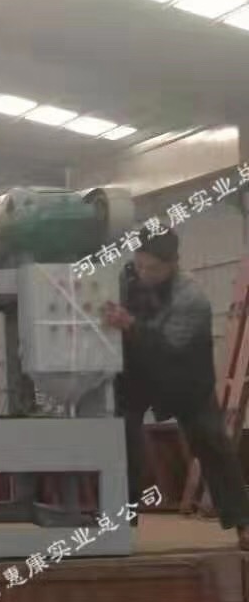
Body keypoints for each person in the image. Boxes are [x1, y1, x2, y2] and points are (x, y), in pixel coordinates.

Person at [102, 230, 249, 548]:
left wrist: (130, 325)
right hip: (137, 374)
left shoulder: (191, 299)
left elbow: (167, 349)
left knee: (212, 442)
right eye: (140, 265)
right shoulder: (125, 279)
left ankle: (243, 523)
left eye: (153, 268)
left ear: (174, 264)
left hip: (184, 377)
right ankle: (120, 528)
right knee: (123, 443)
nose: (145, 273)